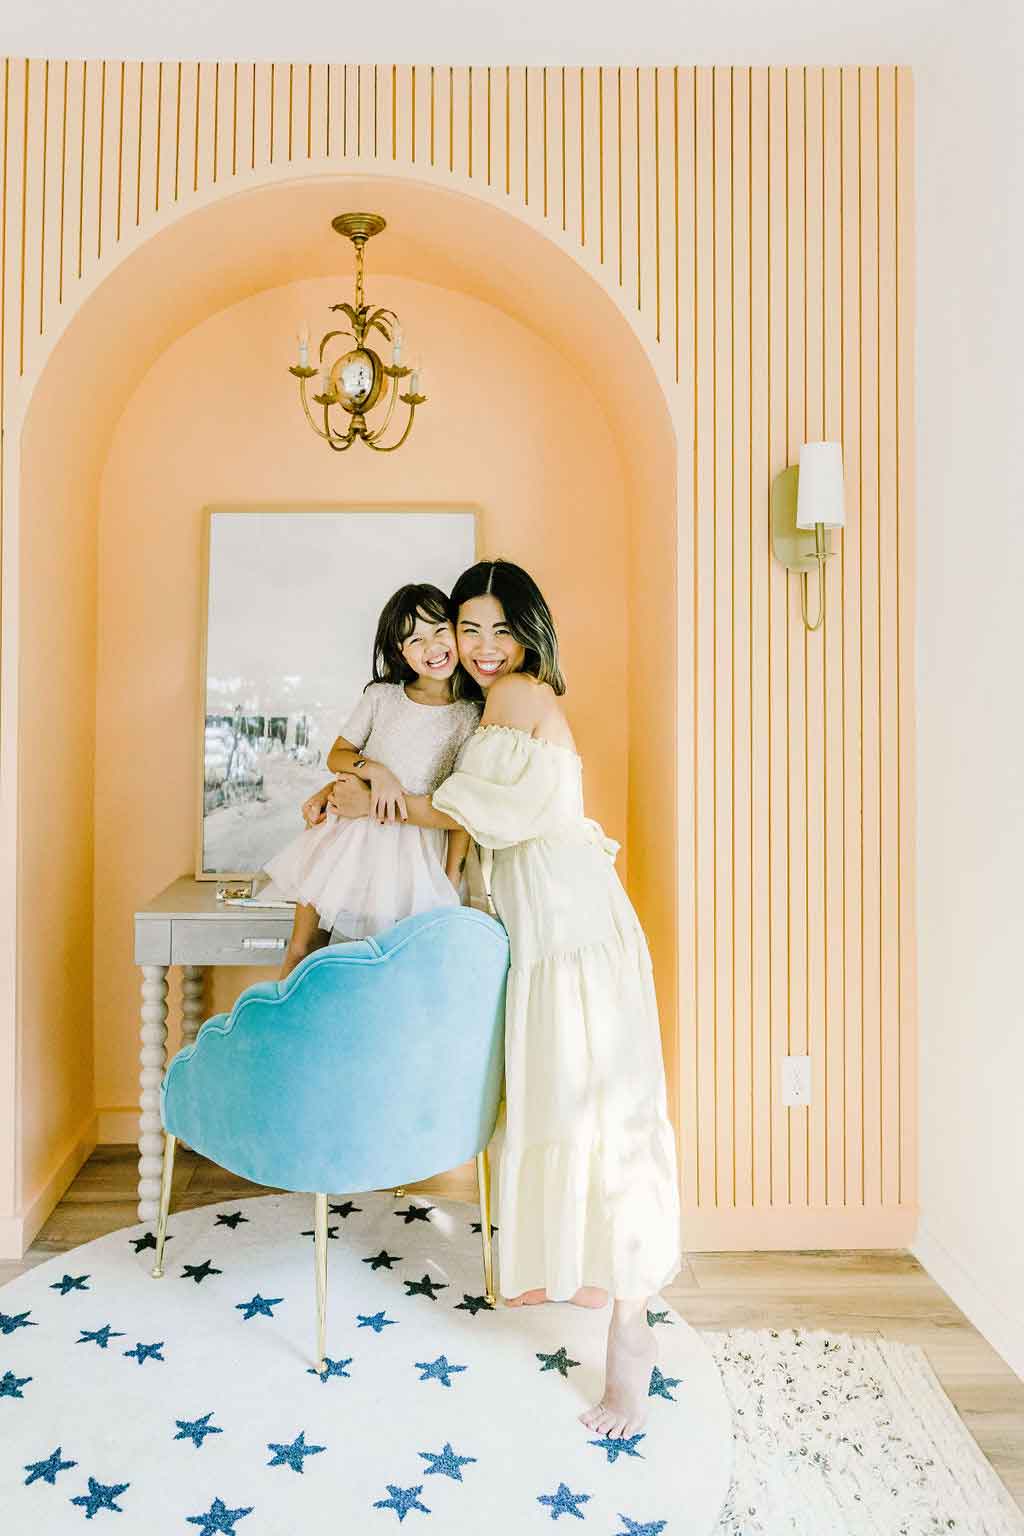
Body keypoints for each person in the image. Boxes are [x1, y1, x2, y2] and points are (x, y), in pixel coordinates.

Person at [324, 559, 681, 1439]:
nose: (483, 649)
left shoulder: (520, 695)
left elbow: (465, 809)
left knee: (606, 1128)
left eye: (498, 629)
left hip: (570, 937)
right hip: (545, 936)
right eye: (467, 630)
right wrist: (363, 785)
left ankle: (629, 1346)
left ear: (528, 633)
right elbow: (449, 812)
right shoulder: (488, 709)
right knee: (569, 1118)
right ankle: (615, 1314)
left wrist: (361, 791)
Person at [263, 583, 479, 977]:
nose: (431, 646)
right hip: (346, 841)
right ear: (400, 652)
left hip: (414, 858)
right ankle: (283, 1034)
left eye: (438, 629)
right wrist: (377, 773)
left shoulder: (468, 715)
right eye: (415, 639)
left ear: (455, 629)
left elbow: (460, 810)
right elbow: (338, 755)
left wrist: (449, 882)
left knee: (384, 971)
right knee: (302, 950)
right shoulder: (382, 697)